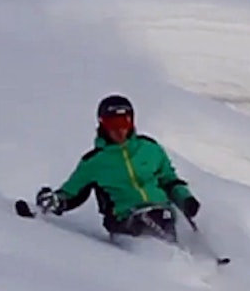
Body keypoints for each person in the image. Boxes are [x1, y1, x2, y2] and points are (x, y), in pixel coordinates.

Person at [36, 94, 201, 241]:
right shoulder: (95, 161)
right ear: (102, 124)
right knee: (150, 218)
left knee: (171, 217)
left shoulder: (150, 148)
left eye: (124, 122)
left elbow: (169, 180)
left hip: (162, 211)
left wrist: (185, 199)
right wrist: (54, 201)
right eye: (112, 124)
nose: (119, 130)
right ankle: (166, 254)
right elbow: (72, 193)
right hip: (125, 218)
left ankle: (192, 253)